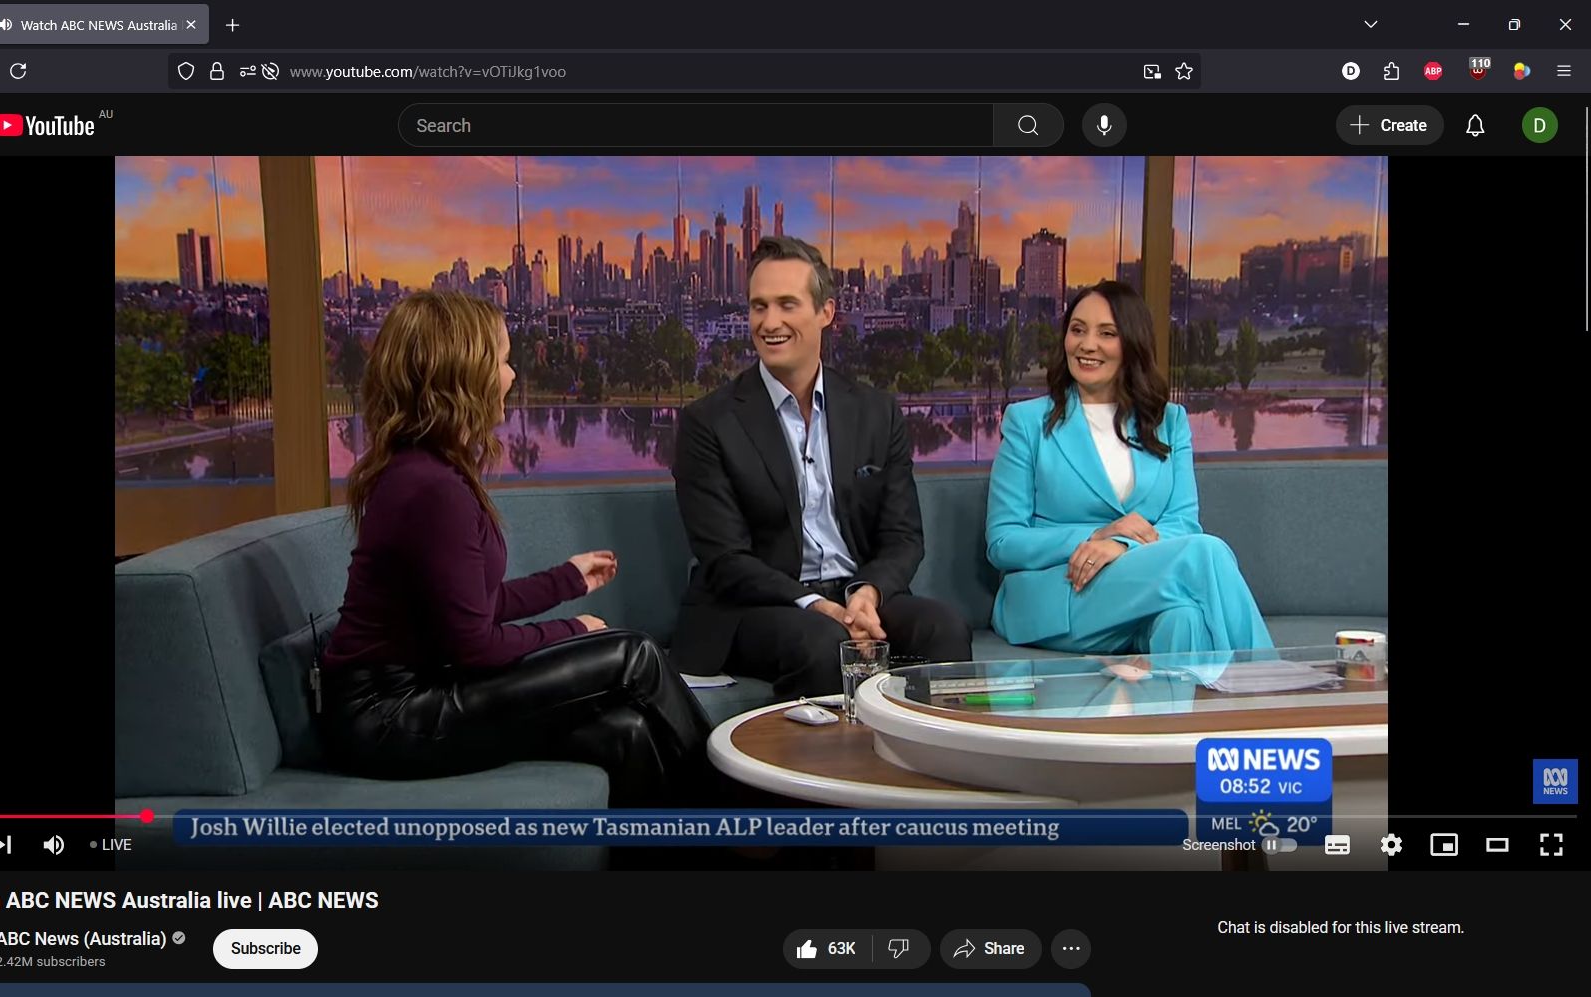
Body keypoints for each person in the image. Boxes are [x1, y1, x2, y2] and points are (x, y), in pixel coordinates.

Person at [320, 291, 710, 806]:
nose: (512, 375)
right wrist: (575, 629)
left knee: (627, 733)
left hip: (414, 693)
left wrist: (566, 580)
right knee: (633, 655)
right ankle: (741, 812)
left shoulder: (429, 471)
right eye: (503, 361)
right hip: (389, 715)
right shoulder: (430, 486)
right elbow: (475, 646)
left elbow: (472, 609)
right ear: (464, 375)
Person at [671, 236, 972, 698]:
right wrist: (817, 605)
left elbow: (903, 537)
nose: (770, 322)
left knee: (944, 629)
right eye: (758, 307)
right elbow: (726, 560)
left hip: (856, 595)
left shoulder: (876, 412)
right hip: (754, 608)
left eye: (787, 304)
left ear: (826, 312)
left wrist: (866, 594)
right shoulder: (708, 422)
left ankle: (928, 747)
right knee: (824, 645)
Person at [985, 280, 1274, 657]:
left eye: (1107, 333)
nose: (1087, 345)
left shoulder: (1169, 421)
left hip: (1143, 597)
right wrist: (1096, 535)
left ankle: (1184, 698)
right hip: (1063, 594)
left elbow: (1183, 523)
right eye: (1078, 330)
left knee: (1184, 619)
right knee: (1206, 554)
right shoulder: (1027, 422)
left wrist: (1121, 545)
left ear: (1132, 344)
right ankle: (1270, 682)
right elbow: (1003, 542)